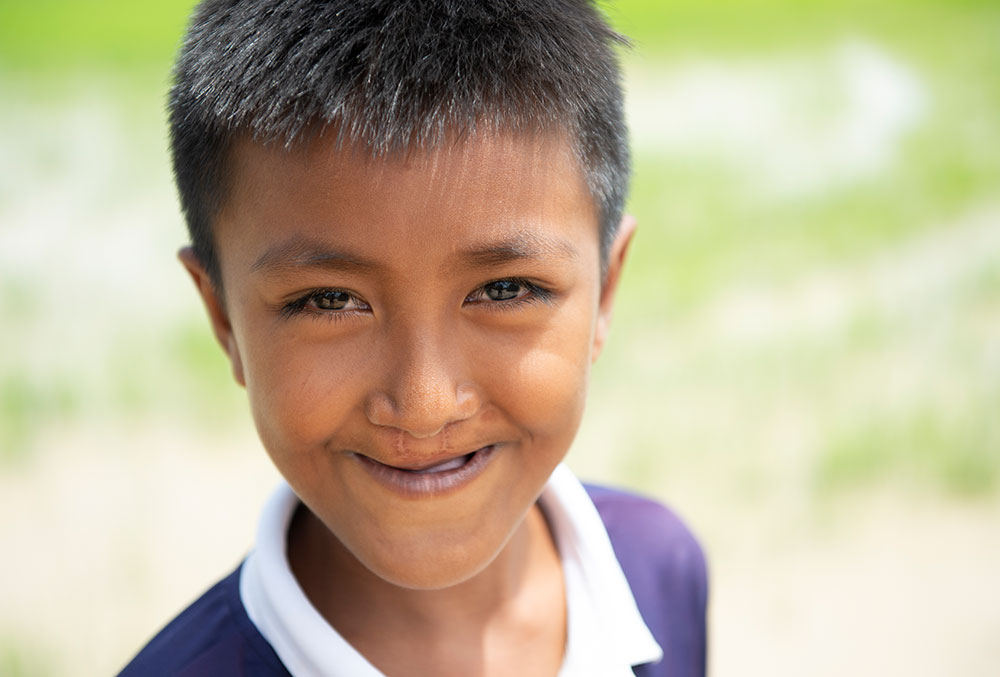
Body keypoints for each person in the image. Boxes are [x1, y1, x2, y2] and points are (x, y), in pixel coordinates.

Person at [119, 0, 707, 675]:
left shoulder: (659, 569)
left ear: (605, 288)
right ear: (222, 316)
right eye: (330, 300)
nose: (426, 404)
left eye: (505, 289)